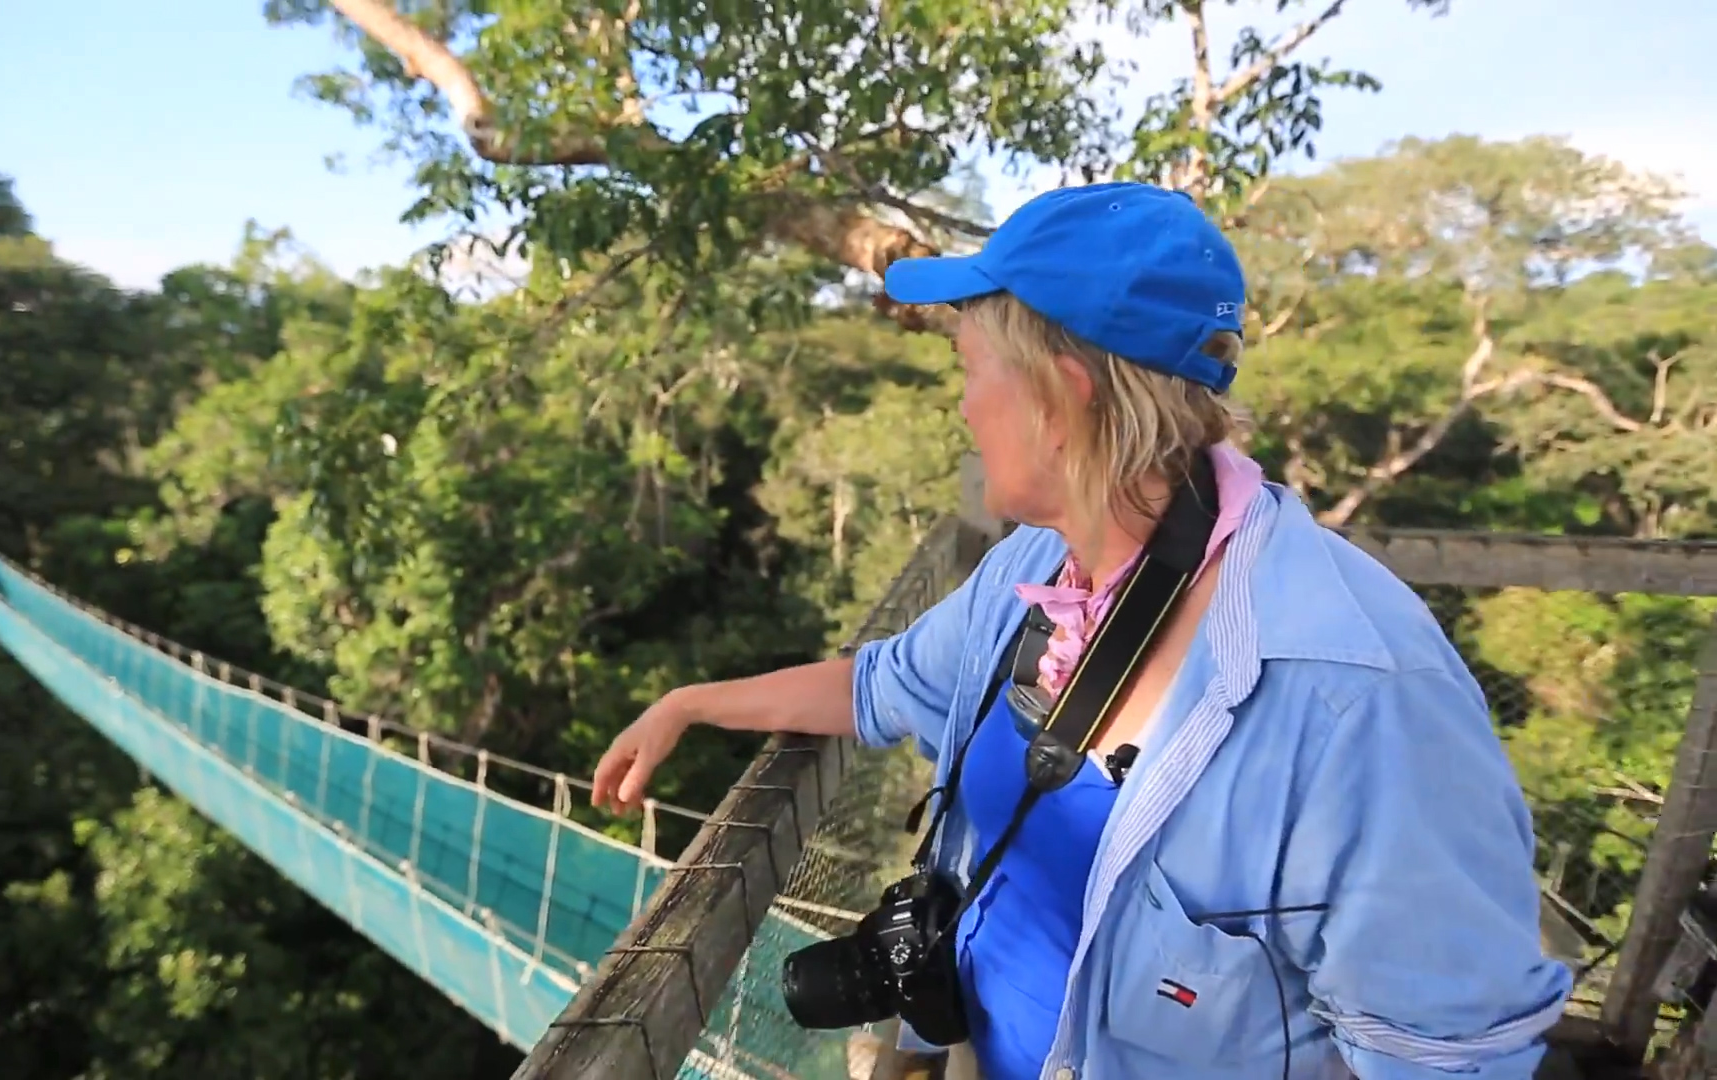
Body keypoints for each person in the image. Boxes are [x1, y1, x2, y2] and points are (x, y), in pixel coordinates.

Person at [590, 182, 1572, 1080]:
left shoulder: (1359, 694)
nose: (964, 408)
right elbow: (880, 685)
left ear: (1065, 396)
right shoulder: (1033, 569)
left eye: (973, 371)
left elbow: (1444, 1057)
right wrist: (690, 704)